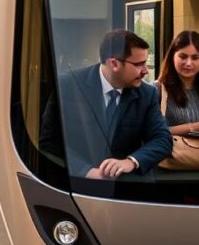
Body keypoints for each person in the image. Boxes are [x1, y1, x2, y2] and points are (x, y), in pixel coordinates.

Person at [42, 29, 171, 179]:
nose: (145, 71)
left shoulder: (147, 93)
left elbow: (162, 140)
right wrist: (86, 171)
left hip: (130, 187)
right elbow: (49, 142)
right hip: (74, 185)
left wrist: (130, 162)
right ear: (114, 63)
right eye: (139, 64)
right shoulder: (67, 86)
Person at [157, 30, 199, 136]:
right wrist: (193, 127)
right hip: (172, 151)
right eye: (183, 57)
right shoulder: (157, 90)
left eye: (195, 58)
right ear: (172, 56)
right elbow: (152, 132)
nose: (189, 63)